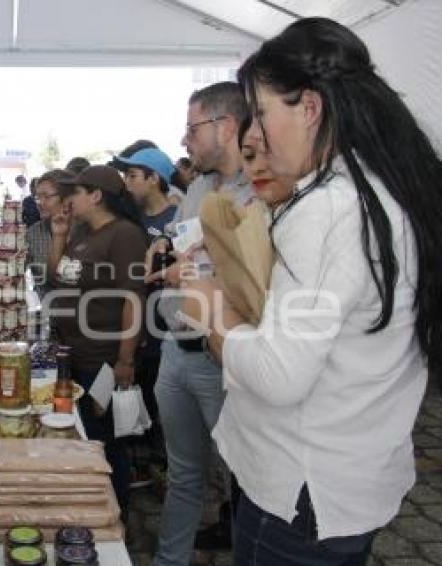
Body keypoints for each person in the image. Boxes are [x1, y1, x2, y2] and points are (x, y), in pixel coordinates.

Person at [174, 18, 442, 565]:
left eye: (264, 113)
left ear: (310, 108)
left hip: (298, 492)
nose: (260, 136)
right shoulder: (391, 187)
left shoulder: (325, 205)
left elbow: (279, 374)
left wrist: (213, 313)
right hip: (353, 479)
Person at [146, 81, 252, 566]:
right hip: (176, 350)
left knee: (246, 481)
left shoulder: (263, 190)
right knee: (185, 473)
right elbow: (190, 258)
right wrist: (170, 261)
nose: (184, 142)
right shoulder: (198, 189)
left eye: (192, 129)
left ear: (225, 126)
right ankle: (171, 560)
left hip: (223, 360)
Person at [48, 165, 148, 514]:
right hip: (73, 354)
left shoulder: (124, 235)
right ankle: (91, 506)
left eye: (75, 193)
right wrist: (59, 236)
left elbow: (133, 298)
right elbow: (57, 276)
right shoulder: (80, 232)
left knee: (104, 440)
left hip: (102, 358)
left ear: (96, 196)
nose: (68, 200)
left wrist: (125, 359)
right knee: (85, 434)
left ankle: (115, 514)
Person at [111, 147, 178, 452]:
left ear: (154, 179)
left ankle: (161, 458)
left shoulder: (180, 216)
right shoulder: (130, 216)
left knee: (165, 399)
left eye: (133, 175)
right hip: (136, 319)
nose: (126, 182)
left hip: (171, 323)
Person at [26, 169, 74, 298]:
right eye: (37, 197)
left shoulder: (85, 231)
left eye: (46, 197)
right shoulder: (33, 233)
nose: (40, 203)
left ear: (67, 198)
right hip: (45, 307)